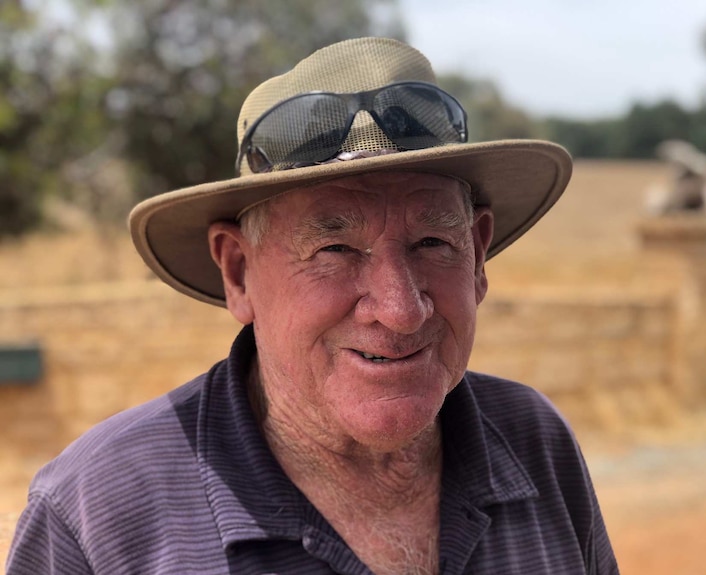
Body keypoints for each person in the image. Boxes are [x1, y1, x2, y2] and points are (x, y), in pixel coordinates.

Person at [7, 37, 619, 574]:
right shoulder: (99, 513)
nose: (401, 310)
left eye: (433, 242)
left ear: (478, 255)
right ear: (239, 272)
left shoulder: (533, 443)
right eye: (334, 248)